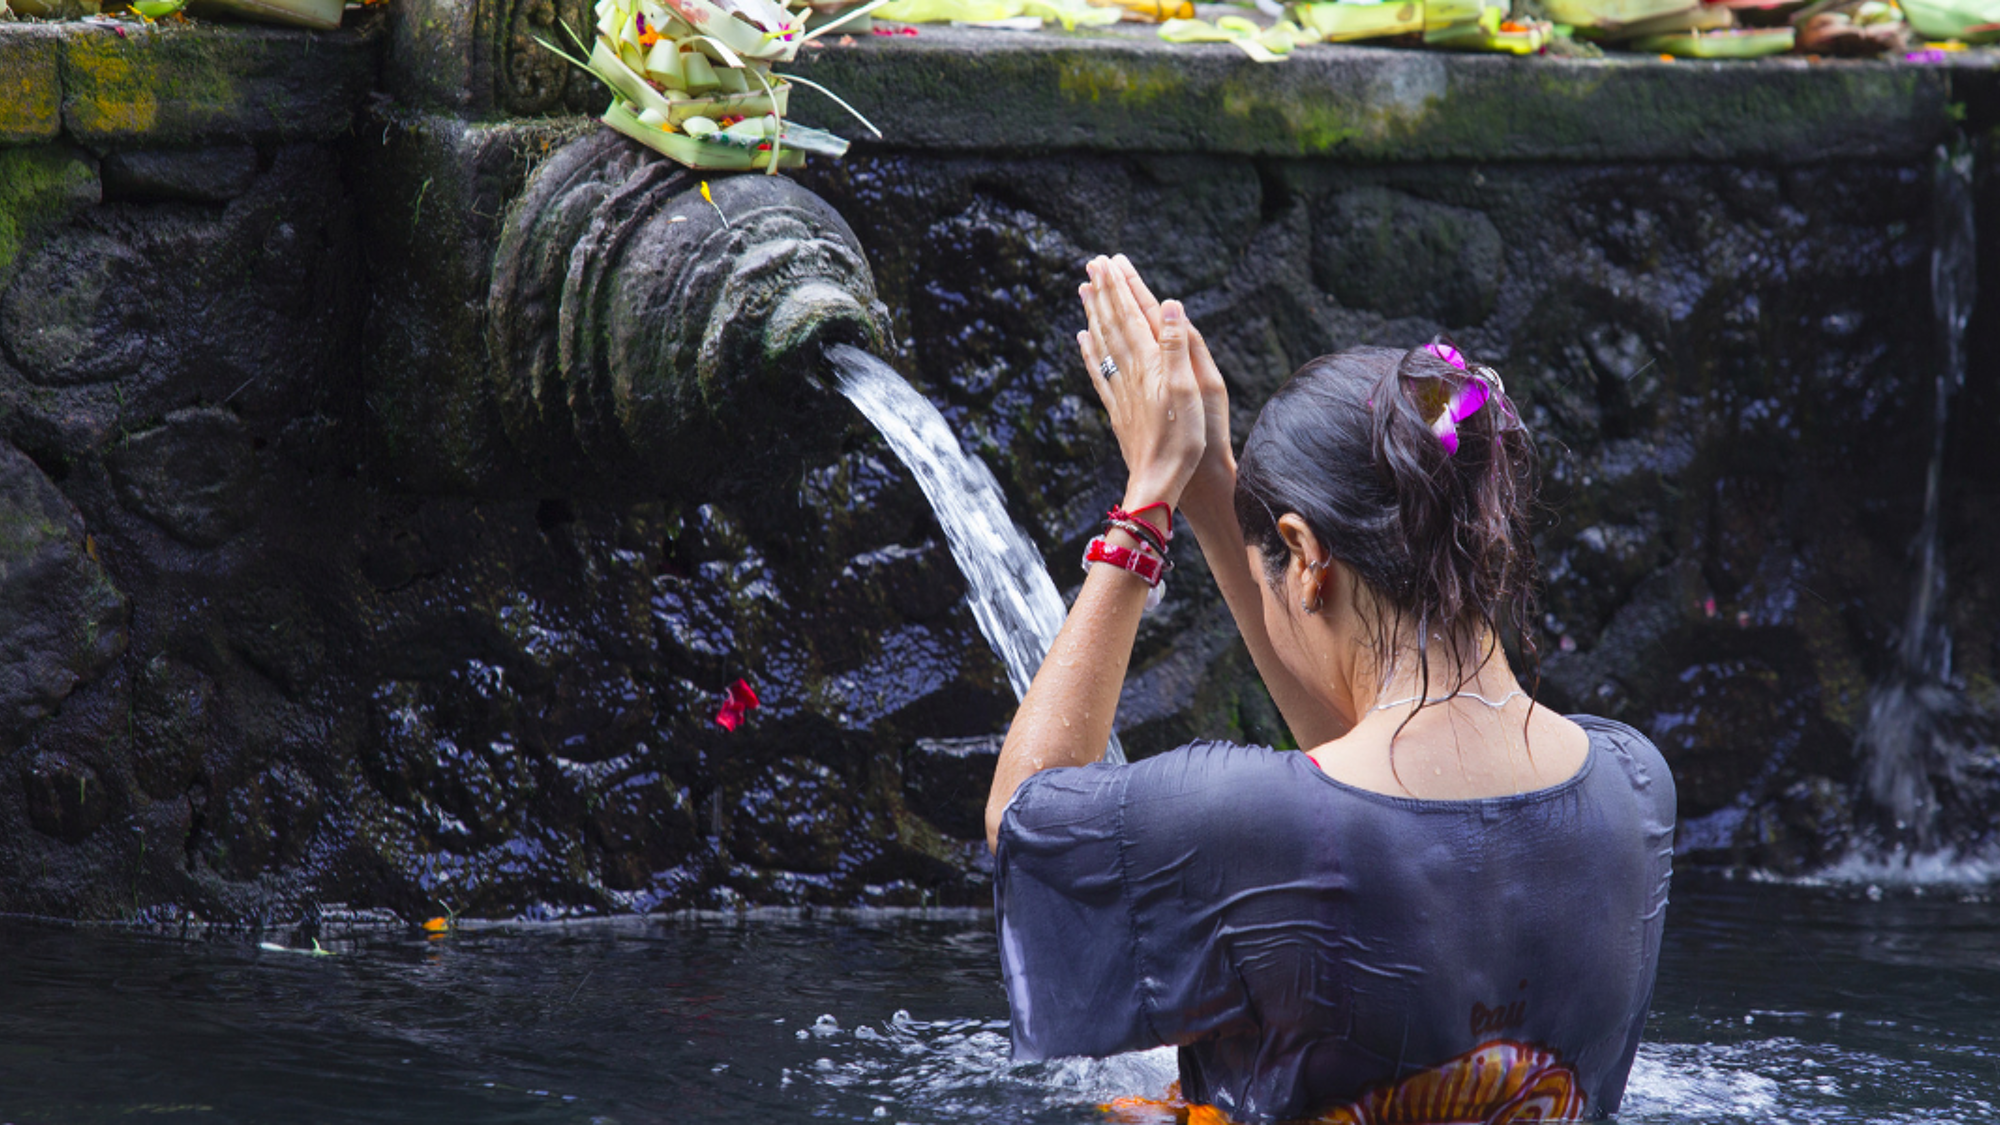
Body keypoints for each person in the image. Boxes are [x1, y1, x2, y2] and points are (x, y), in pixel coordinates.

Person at [983, 255, 1675, 1123]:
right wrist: (1213, 489)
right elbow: (1367, 778)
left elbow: (1024, 819)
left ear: (1306, 558)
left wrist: (1148, 501)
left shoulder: (1244, 821)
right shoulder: (1635, 786)